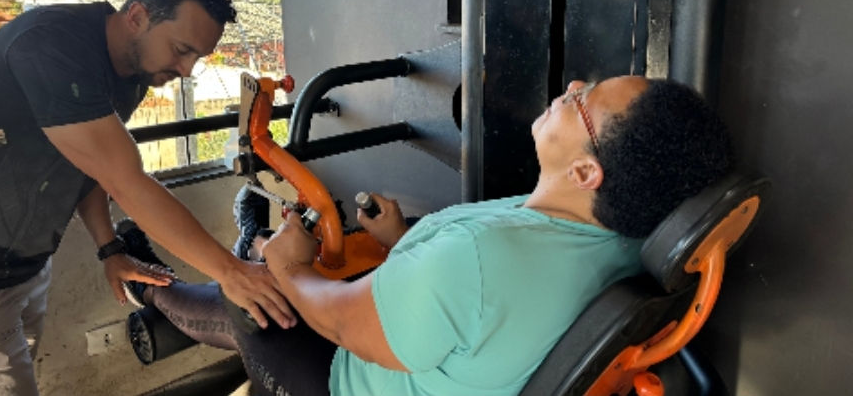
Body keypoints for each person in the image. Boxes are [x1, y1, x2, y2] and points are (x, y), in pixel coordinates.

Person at [120, 75, 734, 396]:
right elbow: (490, 303)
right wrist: (400, 241)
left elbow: (337, 324)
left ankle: (146, 288)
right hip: (437, 351)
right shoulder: (622, 230)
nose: (571, 87)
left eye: (585, 101)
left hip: (345, 381)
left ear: (585, 172)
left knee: (245, 298)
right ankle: (170, 279)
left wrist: (288, 266)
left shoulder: (479, 259)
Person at [0, 0, 295, 396]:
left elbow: (88, 168)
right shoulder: (50, 46)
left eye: (197, 58)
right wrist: (232, 272)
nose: (187, 71)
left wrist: (110, 249)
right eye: (182, 50)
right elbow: (125, 180)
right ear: (137, 17)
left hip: (25, 260)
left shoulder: (132, 72)